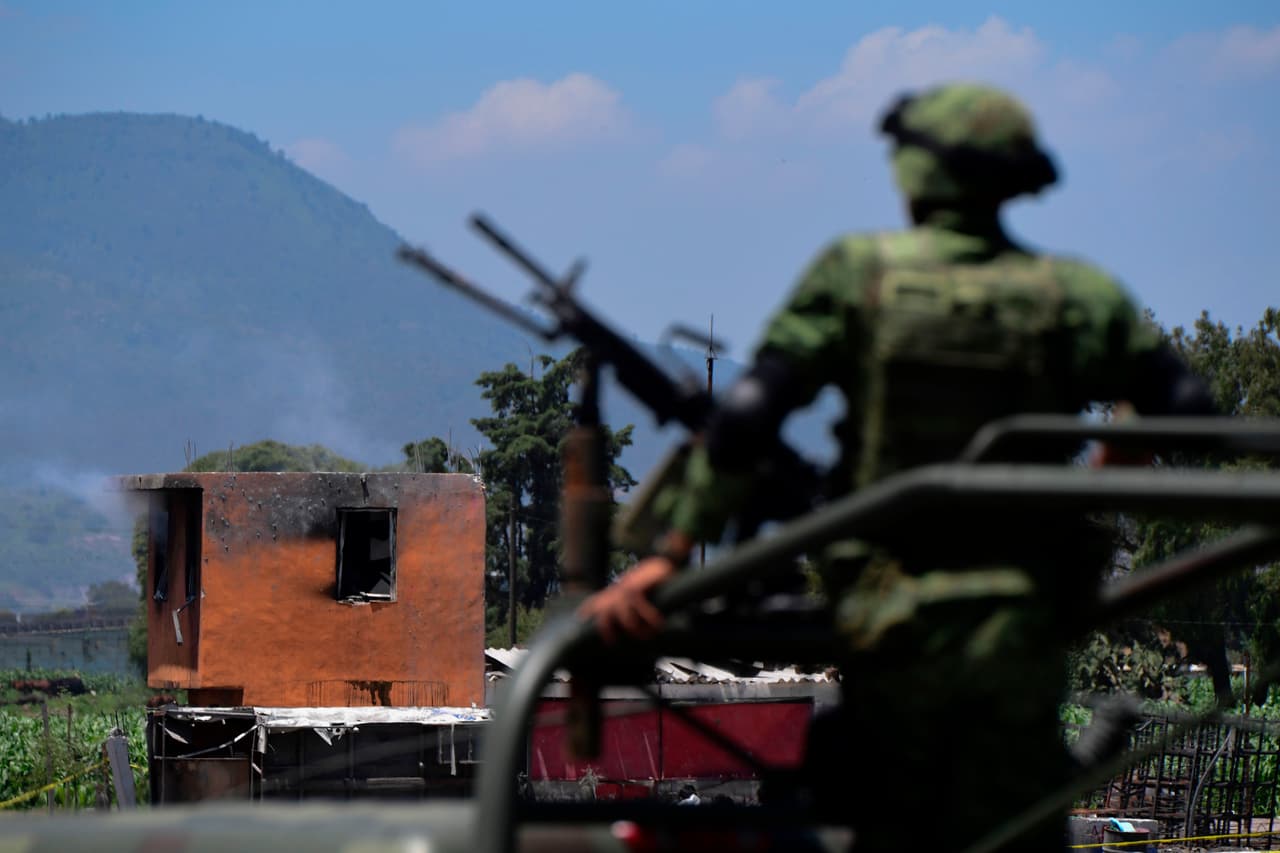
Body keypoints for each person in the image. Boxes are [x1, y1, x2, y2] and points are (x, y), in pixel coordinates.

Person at [580, 82, 1215, 850]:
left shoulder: (859, 274)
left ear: (915, 175)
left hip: (890, 634)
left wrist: (670, 555)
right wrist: (1100, 483)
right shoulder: (1076, 294)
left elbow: (748, 415)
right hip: (1020, 637)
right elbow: (1179, 400)